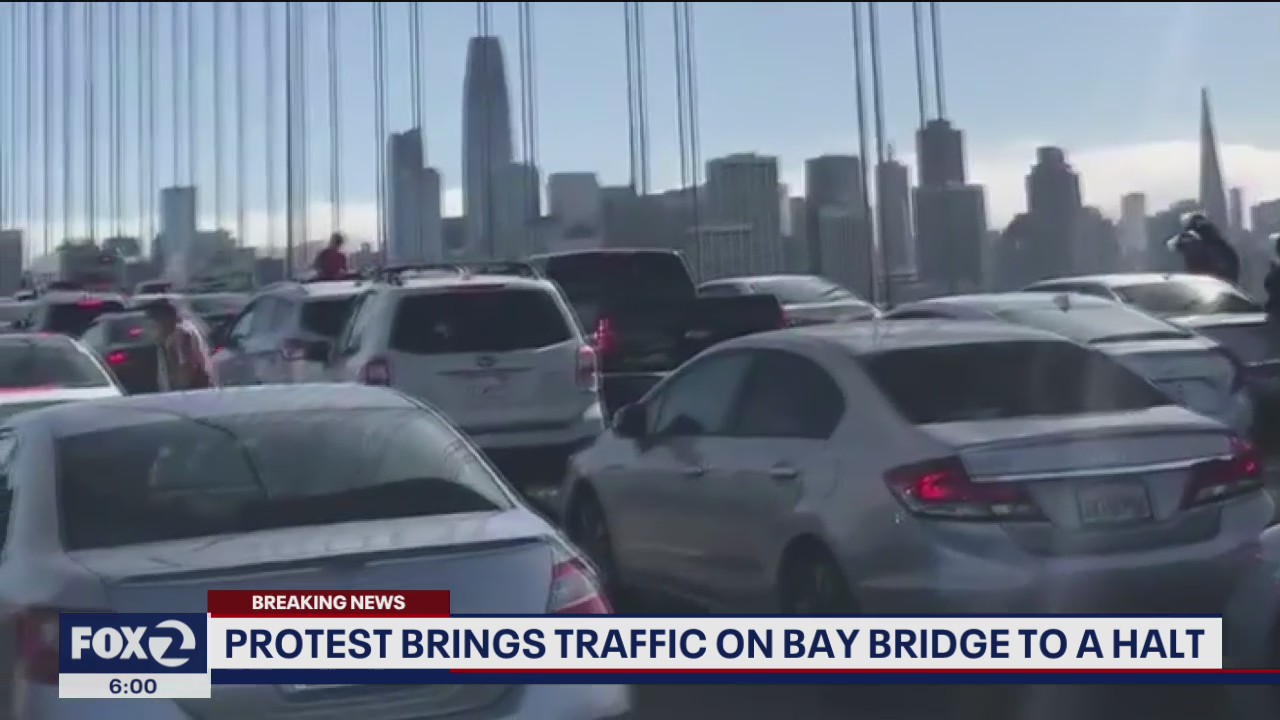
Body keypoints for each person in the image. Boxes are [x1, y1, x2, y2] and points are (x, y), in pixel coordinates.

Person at [143, 298, 215, 391]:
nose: (153, 326)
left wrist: (177, 394)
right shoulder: (180, 332)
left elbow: (185, 371)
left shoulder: (180, 336)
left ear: (166, 318)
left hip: (190, 396)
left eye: (156, 320)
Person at [1166, 212, 1240, 284]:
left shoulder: (1191, 238)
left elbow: (1171, 245)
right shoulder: (1219, 242)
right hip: (1225, 283)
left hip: (1208, 282)